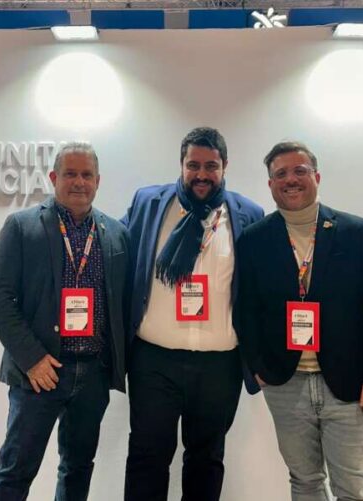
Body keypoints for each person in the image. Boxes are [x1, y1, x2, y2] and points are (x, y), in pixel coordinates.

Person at [234, 141, 363, 501]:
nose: (290, 179)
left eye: (299, 171)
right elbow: (245, 310)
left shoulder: (355, 232)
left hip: (349, 383)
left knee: (353, 488)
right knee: (304, 481)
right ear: (270, 184)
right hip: (285, 382)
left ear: (316, 177)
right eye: (281, 174)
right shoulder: (255, 239)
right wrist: (257, 368)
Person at [122, 127, 264, 501]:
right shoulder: (148, 203)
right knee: (147, 458)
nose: (202, 175)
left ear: (225, 166)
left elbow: (259, 292)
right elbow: (115, 256)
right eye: (193, 165)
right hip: (154, 362)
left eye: (211, 166)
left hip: (220, 366)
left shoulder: (249, 214)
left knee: (206, 460)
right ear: (181, 165)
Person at [0, 142, 129, 501]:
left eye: (87, 175)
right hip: (40, 373)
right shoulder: (22, 227)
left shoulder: (116, 233)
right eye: (70, 174)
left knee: (78, 468)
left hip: (92, 374)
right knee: (16, 469)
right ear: (53, 177)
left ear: (98, 181)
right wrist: (32, 358)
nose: (79, 182)